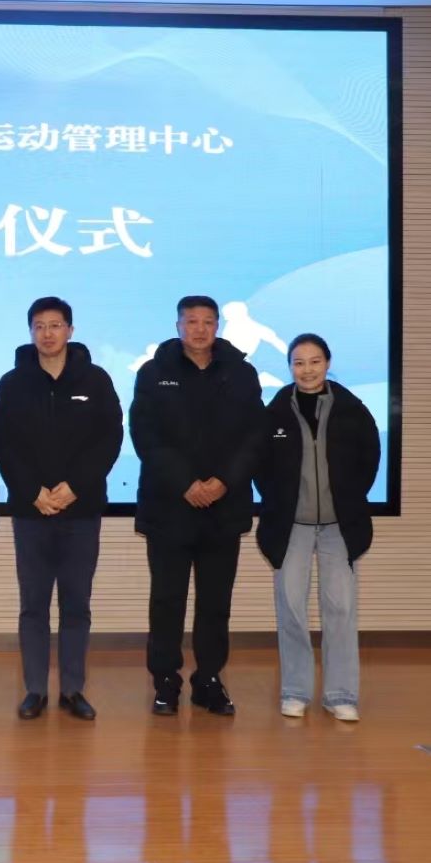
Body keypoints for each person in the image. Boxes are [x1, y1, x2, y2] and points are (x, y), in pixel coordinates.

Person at [130, 296, 263, 717]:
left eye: (207, 322)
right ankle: (166, 682)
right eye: (191, 321)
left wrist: (224, 481)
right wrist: (185, 483)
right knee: (166, 601)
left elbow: (254, 436)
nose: (200, 329)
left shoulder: (241, 373)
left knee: (215, 603)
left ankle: (209, 680)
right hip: (169, 507)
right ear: (178, 326)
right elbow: (146, 435)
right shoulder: (154, 373)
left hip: (225, 507)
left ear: (217, 326)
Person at [0, 298, 123, 721]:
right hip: (31, 512)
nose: (47, 333)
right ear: (30, 331)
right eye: (39, 326)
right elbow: (2, 443)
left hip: (81, 511)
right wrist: (32, 491)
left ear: (70, 330)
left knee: (76, 604)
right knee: (33, 604)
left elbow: (110, 437)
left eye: (55, 325)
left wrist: (75, 487)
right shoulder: (13, 383)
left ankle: (72, 688)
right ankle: (34, 689)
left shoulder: (96, 380)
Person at [255, 334, 380, 722]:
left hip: (339, 526)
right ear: (290, 367)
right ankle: (295, 691)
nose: (306, 370)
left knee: (340, 609)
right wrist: (279, 502)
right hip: (290, 525)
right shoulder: (274, 413)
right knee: (291, 607)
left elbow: (369, 460)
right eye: (298, 362)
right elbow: (261, 467)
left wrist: (349, 498)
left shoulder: (352, 411)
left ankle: (341, 695)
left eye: (314, 361)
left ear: (327, 363)